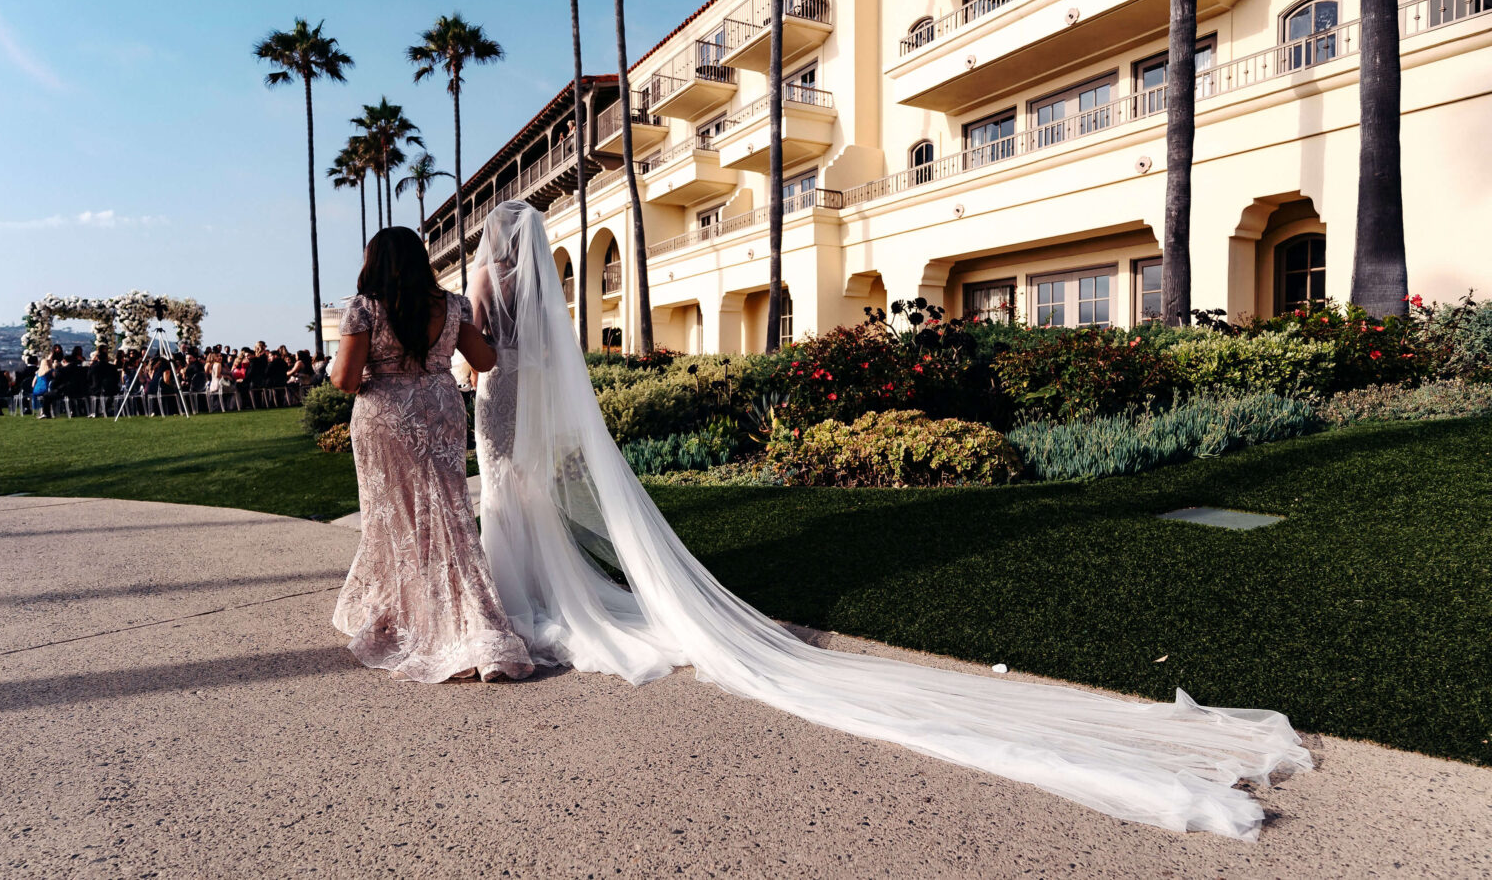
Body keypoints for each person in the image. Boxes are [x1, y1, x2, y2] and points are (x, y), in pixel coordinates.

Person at [465, 200, 1312, 842]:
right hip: (520, 403)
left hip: (499, 404)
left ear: (495, 250)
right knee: (519, 496)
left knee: (508, 497)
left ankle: (524, 603)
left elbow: (476, 352)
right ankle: (536, 598)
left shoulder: (485, 289)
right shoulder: (540, 296)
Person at [329, 226, 532, 684]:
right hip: (440, 409)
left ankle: (410, 614)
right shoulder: (452, 305)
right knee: (451, 511)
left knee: (393, 516)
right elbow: (484, 361)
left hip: (384, 417)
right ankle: (476, 622)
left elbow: (344, 379)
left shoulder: (365, 308)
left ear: (374, 261)